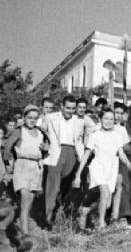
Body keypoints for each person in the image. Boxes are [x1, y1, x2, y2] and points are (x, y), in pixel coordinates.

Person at [73, 109, 131, 231]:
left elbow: (121, 154)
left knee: (107, 203)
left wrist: (128, 164)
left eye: (111, 119)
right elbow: (86, 154)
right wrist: (78, 174)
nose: (108, 122)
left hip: (111, 168)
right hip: (98, 166)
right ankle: (101, 225)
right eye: (106, 118)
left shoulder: (117, 136)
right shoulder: (95, 135)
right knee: (105, 193)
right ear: (100, 119)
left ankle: (85, 211)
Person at [3, 105, 50, 238]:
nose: (32, 121)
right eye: (29, 117)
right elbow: (7, 147)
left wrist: (45, 149)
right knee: (24, 196)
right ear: (24, 117)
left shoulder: (40, 132)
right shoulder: (19, 131)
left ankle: (24, 227)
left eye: (35, 118)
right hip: (22, 165)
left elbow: (46, 150)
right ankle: (25, 233)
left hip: (35, 167)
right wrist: (8, 164)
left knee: (30, 200)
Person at [41, 95, 85, 225]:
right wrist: (45, 144)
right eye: (67, 108)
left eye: (72, 108)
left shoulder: (79, 121)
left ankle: (59, 211)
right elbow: (41, 130)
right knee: (52, 185)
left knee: (66, 184)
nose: (70, 111)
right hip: (55, 152)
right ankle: (48, 216)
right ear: (62, 106)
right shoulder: (51, 118)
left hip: (71, 152)